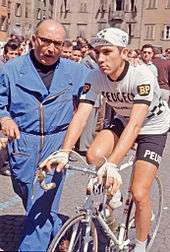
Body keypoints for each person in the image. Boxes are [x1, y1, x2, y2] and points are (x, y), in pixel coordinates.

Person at [42, 27, 170, 252]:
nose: (100, 58)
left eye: (107, 52)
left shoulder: (142, 76)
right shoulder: (96, 76)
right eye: (97, 52)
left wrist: (112, 164)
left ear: (124, 52)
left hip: (152, 125)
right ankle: (114, 194)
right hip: (124, 118)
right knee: (93, 154)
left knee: (139, 193)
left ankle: (140, 245)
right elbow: (81, 114)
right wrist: (64, 150)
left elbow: (136, 124)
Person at [0, 19, 89, 251]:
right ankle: (56, 226)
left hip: (56, 143)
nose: (51, 49)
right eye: (45, 41)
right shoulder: (11, 69)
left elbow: (100, 88)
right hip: (22, 144)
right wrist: (4, 118)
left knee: (41, 200)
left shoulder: (76, 71)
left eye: (57, 44)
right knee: (27, 192)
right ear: (33, 40)